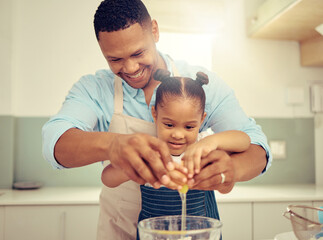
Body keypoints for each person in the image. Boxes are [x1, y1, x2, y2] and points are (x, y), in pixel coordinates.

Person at [41, 0, 272, 239]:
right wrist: (115, 146)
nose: (130, 68)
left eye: (138, 53)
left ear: (154, 30)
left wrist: (232, 169)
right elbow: (55, 142)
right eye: (115, 60)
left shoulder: (199, 89)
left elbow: (256, 146)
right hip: (118, 231)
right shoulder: (94, 88)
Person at [101, 69, 251, 239]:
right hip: (155, 235)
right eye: (169, 125)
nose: (178, 135)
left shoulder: (204, 147)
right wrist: (137, 167)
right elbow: (107, 178)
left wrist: (212, 141)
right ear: (155, 114)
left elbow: (244, 139)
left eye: (189, 127)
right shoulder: (148, 150)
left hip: (201, 234)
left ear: (202, 120)